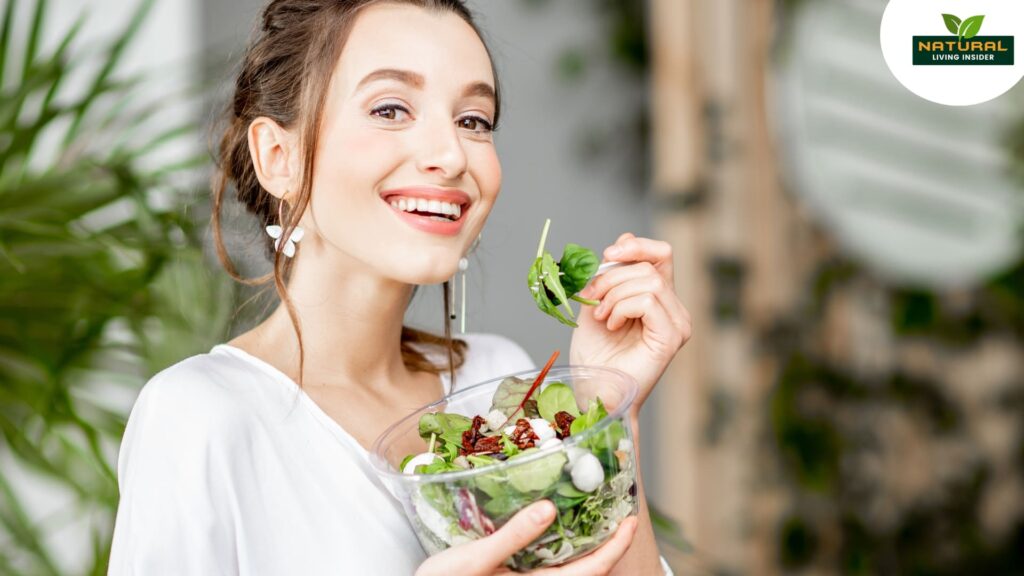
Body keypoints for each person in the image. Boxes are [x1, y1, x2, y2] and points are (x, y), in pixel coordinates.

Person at [108, 0, 691, 574]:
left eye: (473, 121)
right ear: (278, 156)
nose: (449, 154)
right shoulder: (200, 416)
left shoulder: (496, 386)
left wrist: (613, 414)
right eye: (390, 109)